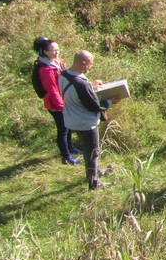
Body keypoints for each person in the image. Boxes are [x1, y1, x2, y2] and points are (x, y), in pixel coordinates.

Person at [60, 50, 112, 189]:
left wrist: (91, 87)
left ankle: (93, 173)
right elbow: (95, 106)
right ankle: (94, 183)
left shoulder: (64, 74)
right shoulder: (81, 84)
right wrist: (111, 101)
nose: (91, 67)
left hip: (71, 120)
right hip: (85, 123)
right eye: (90, 64)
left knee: (88, 150)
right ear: (83, 63)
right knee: (93, 152)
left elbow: (78, 95)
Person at [33, 37, 81, 165]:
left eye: (57, 49)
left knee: (68, 125)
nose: (56, 52)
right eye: (53, 50)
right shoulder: (46, 70)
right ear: (45, 52)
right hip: (55, 104)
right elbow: (52, 90)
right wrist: (62, 106)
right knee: (63, 129)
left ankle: (70, 148)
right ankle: (66, 157)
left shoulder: (57, 62)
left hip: (63, 100)